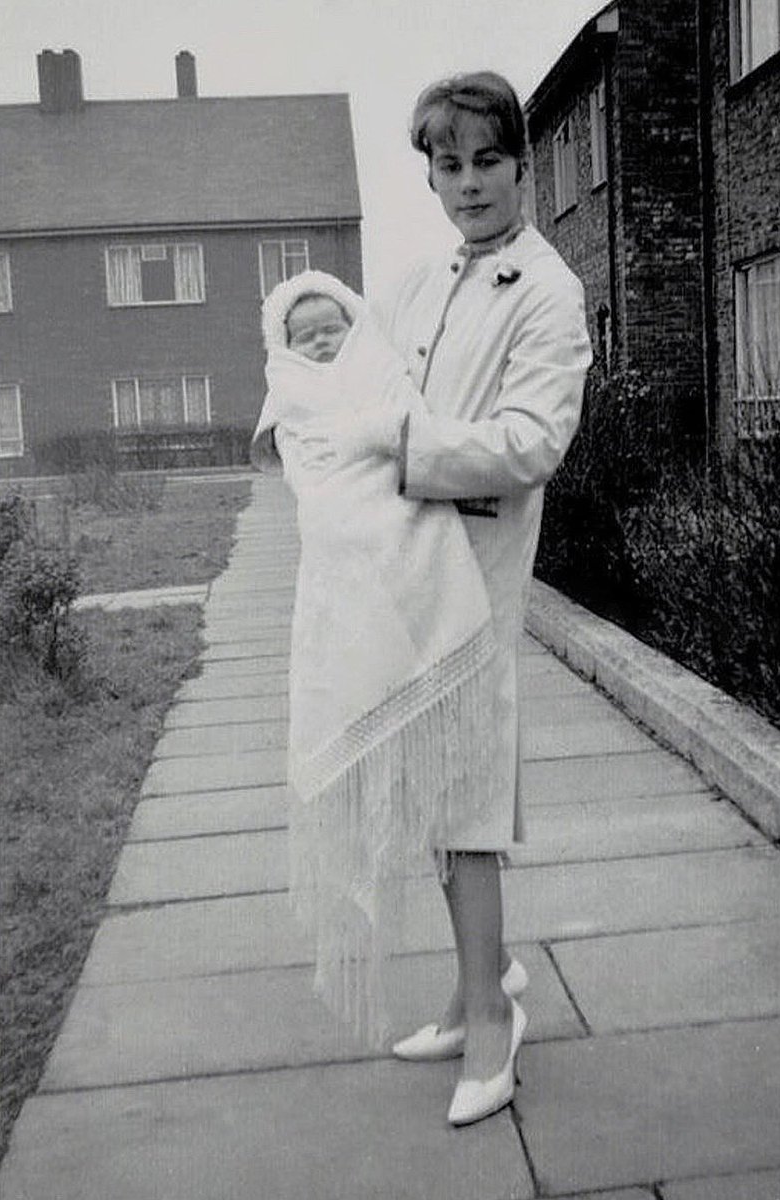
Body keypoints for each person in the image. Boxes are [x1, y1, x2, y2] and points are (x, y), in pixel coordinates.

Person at [373, 71, 592, 1126]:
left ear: (522, 161)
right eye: (446, 165)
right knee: (431, 795)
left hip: (475, 574)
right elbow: (379, 386)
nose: (466, 184)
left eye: (486, 161)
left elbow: (529, 444)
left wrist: (401, 450)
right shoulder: (425, 279)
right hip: (407, 573)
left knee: (464, 809)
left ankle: (498, 1026)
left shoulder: (548, 291)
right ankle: (475, 988)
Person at [250, 269, 501, 1053]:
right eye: (306, 332)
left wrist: (378, 436)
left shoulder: (383, 370)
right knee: (446, 815)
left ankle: (489, 988)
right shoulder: (289, 397)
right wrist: (355, 447)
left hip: (414, 566)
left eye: (333, 324)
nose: (323, 339)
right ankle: (487, 981)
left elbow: (411, 429)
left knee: (457, 808)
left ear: (357, 323)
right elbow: (312, 479)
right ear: (282, 348)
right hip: (344, 580)